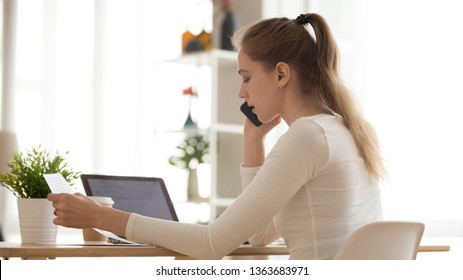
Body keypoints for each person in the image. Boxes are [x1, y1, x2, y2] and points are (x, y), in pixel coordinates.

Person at [48, 13, 385, 260]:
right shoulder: (341, 129)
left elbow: (211, 243)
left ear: (281, 74)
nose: (241, 92)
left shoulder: (308, 136)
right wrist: (253, 142)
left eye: (247, 77)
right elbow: (260, 235)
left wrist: (100, 216)